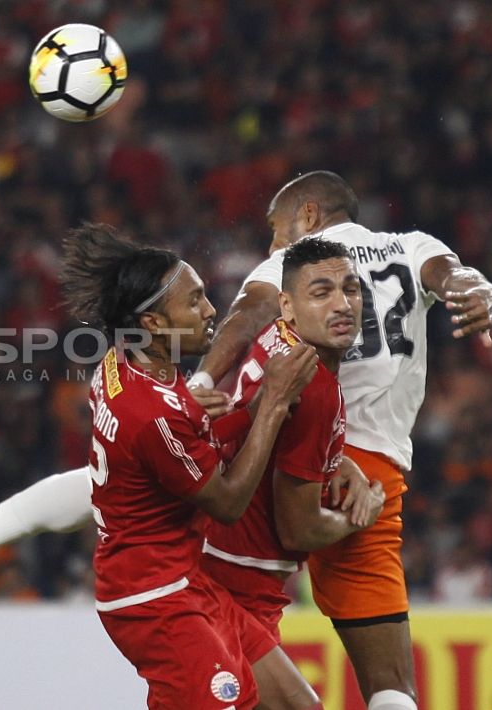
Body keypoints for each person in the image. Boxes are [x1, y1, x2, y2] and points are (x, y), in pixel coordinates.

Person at [190, 171, 492, 710]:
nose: (273, 243)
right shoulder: (413, 247)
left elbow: (249, 313)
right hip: (363, 470)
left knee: (224, 635)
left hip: (277, 453)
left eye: (275, 228)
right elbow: (456, 277)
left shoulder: (306, 259)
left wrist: (197, 383)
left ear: (308, 215)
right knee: (391, 685)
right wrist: (482, 291)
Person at [0, 223, 318, 709]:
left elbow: (183, 441)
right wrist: (269, 406)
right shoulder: (153, 412)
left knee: (296, 703)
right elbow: (226, 502)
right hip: (154, 598)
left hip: (183, 576)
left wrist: (243, 413)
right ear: (153, 325)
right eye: (195, 301)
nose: (211, 311)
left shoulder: (125, 365)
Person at [201, 237, 385, 647]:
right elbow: (298, 532)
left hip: (209, 553)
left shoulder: (276, 336)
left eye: (350, 289)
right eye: (321, 293)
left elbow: (274, 429)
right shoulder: (316, 388)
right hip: (239, 581)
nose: (342, 305)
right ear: (288, 305)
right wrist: (363, 515)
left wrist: (337, 461)